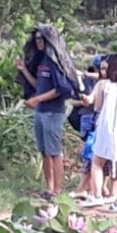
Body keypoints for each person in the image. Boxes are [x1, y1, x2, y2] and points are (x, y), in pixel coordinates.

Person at [20, 26, 82, 200]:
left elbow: (62, 89)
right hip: (40, 111)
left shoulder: (55, 63)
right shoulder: (42, 62)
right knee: (44, 152)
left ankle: (56, 190)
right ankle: (49, 188)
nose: (39, 42)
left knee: (54, 152)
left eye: (42, 39)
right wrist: (24, 70)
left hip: (53, 112)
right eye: (37, 39)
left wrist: (38, 100)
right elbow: (38, 86)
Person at [81, 54, 117, 213]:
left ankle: (96, 195)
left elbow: (97, 106)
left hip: (106, 128)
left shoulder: (106, 85)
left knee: (97, 162)